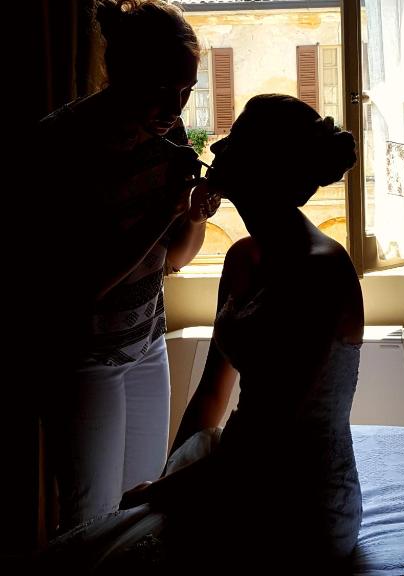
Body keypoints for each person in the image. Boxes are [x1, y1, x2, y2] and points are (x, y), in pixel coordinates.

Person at [40, 94, 363, 575]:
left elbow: (271, 439)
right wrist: (169, 477)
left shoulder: (318, 274)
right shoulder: (244, 257)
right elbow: (213, 392)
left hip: (298, 497)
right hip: (243, 464)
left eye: (237, 138)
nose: (217, 146)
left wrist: (161, 492)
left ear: (265, 165)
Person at [35, 0, 221, 535]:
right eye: (163, 89)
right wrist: (165, 211)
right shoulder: (60, 144)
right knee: (88, 519)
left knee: (140, 504)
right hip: (82, 357)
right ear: (122, 73)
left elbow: (175, 260)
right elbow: (77, 284)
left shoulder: (168, 138)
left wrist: (192, 216)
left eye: (186, 91)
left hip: (146, 342)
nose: (176, 108)